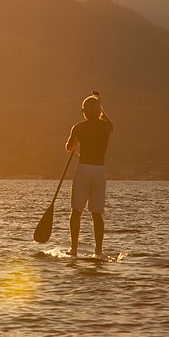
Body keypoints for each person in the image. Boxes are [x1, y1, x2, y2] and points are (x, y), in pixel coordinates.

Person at [65, 92, 114, 257]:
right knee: (97, 213)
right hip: (100, 171)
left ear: (84, 110)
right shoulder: (106, 127)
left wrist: (76, 141)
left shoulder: (78, 127)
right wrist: (100, 104)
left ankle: (74, 249)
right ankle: (98, 251)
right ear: (100, 110)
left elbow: (69, 148)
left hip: (84, 169)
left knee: (76, 211)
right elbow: (109, 122)